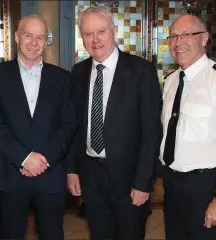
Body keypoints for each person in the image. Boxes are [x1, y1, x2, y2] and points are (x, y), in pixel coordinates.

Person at [66, 6, 161, 240]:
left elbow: (151, 132)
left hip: (129, 180)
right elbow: (73, 127)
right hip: (90, 177)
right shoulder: (78, 72)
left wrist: (143, 182)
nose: (95, 40)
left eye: (101, 31)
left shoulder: (141, 70)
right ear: (82, 38)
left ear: (113, 31)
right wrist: (72, 170)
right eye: (88, 34)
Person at [0, 15, 77, 239]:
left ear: (46, 42)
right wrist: (25, 158)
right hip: (12, 174)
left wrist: (44, 159)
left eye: (40, 37)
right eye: (28, 35)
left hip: (51, 175)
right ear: (17, 37)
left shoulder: (62, 78)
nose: (34, 42)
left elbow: (68, 124)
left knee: (52, 234)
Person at [160, 14, 216, 240]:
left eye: (186, 35)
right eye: (173, 37)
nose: (178, 42)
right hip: (172, 185)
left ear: (204, 39)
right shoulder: (170, 81)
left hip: (206, 187)